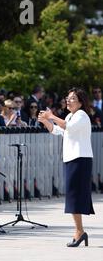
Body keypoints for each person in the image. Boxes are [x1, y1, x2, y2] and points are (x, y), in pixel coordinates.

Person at [38, 88, 94, 247]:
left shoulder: (82, 115)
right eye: (67, 98)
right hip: (72, 159)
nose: (68, 101)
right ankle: (79, 231)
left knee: (74, 195)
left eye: (72, 99)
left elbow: (66, 126)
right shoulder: (71, 116)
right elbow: (58, 130)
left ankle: (79, 232)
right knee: (72, 195)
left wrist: (51, 116)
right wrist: (46, 121)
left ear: (81, 102)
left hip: (80, 159)